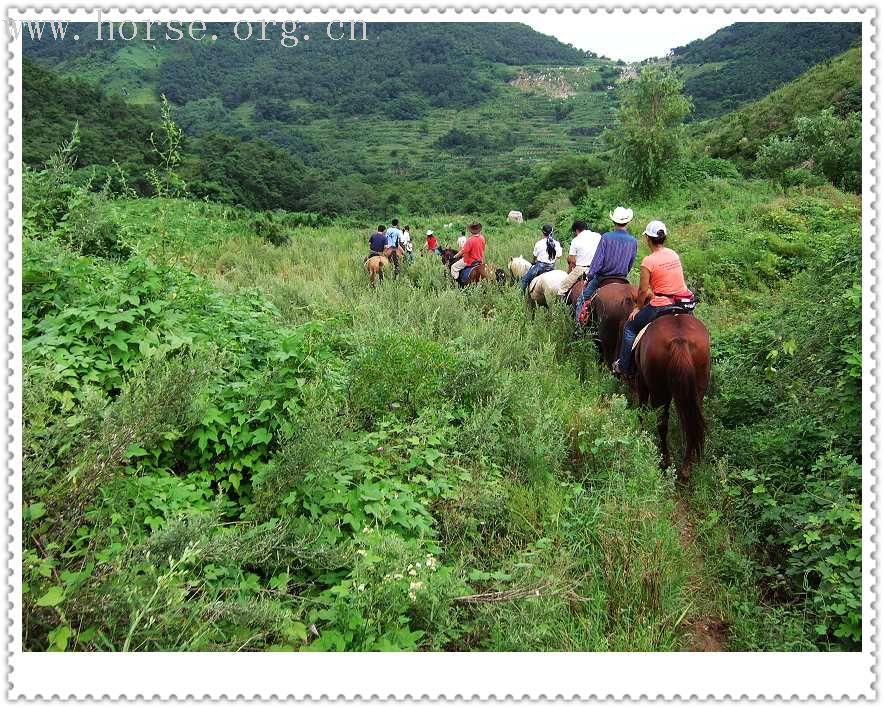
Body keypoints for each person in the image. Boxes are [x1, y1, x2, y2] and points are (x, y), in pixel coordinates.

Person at [613, 220, 696, 377]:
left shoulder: (648, 261)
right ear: (664, 238)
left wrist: (637, 307)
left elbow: (643, 290)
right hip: (684, 304)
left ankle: (625, 366)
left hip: (661, 305)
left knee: (630, 328)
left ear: (648, 239)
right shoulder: (673, 254)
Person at [576, 207, 638, 324]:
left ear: (614, 221)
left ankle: (578, 329)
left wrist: (589, 277)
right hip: (622, 278)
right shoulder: (633, 241)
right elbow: (630, 263)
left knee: (582, 299)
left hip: (603, 277)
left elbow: (597, 261)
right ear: (627, 222)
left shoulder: (606, 237)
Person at [557, 219, 602, 300]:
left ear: (576, 230)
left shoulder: (575, 240)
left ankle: (561, 303)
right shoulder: (597, 235)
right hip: (598, 268)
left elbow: (572, 260)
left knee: (562, 288)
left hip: (581, 269)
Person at [520, 224, 562, 291]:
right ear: (552, 232)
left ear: (543, 232)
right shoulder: (556, 243)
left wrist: (533, 262)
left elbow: (535, 256)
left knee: (524, 279)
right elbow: (559, 256)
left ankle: (520, 294)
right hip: (552, 267)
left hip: (540, 266)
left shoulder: (539, 243)